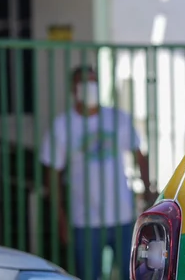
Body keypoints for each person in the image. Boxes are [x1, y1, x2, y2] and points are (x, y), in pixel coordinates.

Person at [41, 65, 157, 280]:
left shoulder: (117, 118)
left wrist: (149, 192)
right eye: (83, 82)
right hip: (84, 221)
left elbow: (139, 155)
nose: (89, 87)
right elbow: (52, 175)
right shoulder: (62, 125)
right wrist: (60, 219)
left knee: (132, 274)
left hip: (122, 216)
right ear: (73, 88)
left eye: (93, 82)